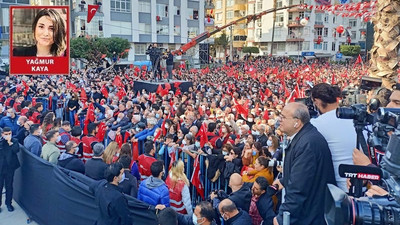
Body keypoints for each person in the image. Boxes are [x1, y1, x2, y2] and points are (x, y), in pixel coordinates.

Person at [272, 102, 336, 225]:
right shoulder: (305, 138)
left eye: (283, 117)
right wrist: (284, 181)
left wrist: (283, 218)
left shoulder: (307, 144)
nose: (279, 120)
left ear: (297, 122)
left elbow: (299, 187)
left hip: (309, 215)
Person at [310, 83, 356, 192]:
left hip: (339, 190)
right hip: (364, 184)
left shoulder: (316, 124)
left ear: (317, 102)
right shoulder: (356, 117)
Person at [0, 127, 20, 212]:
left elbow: (16, 150)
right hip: (1, 168)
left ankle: (8, 203)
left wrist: (9, 142)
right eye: (6, 134)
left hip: (9, 168)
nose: (8, 136)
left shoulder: (14, 141)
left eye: (9, 134)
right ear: (2, 134)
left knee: (9, 186)